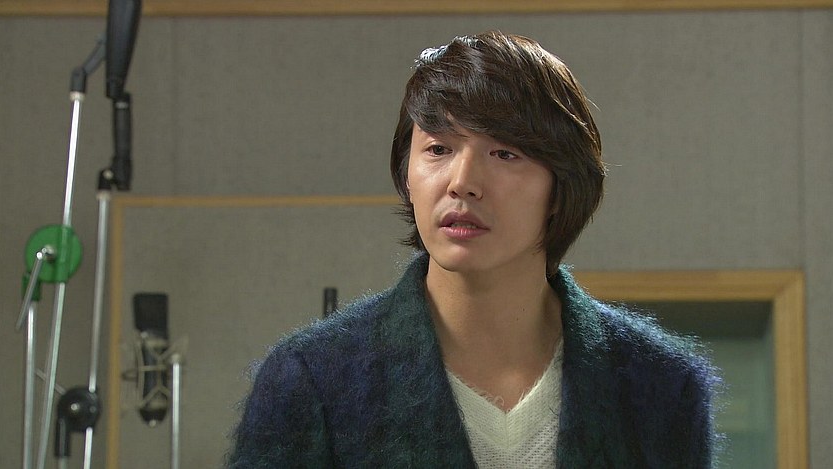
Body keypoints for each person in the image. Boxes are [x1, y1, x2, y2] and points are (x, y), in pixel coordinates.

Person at [227, 31, 720, 468]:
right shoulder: (313, 381)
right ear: (407, 175)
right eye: (438, 149)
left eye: (505, 153)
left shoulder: (658, 385)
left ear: (560, 187)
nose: (462, 182)